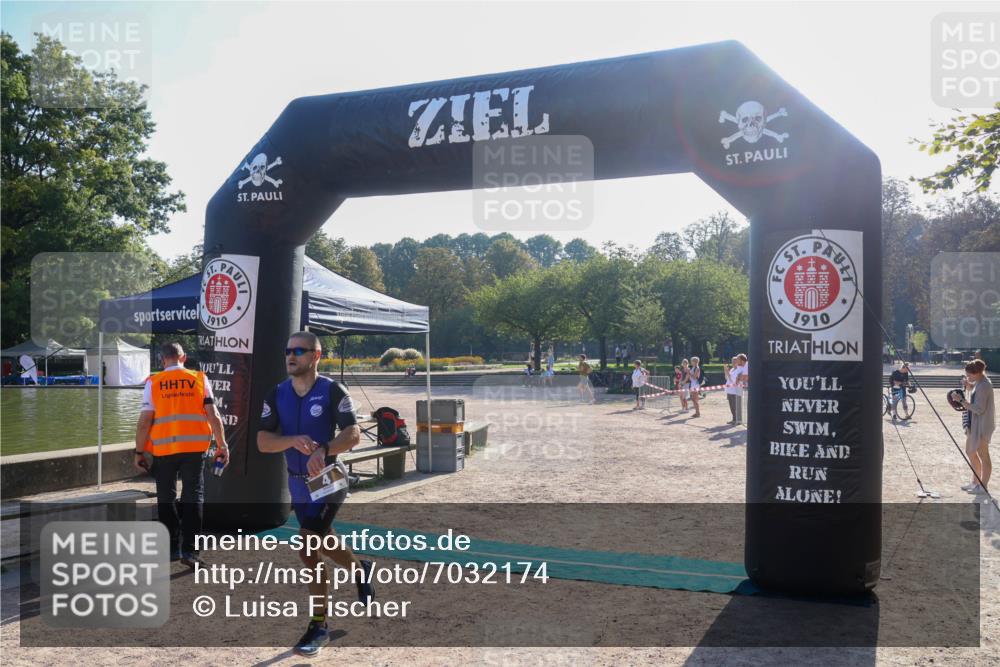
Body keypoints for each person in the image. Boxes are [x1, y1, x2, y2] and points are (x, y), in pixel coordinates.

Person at [258, 331, 373, 656]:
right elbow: (263, 442)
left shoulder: (333, 390)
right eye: (288, 350)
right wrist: (291, 441)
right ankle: (359, 569)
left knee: (308, 547)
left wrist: (324, 448)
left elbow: (353, 434)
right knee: (325, 541)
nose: (291, 356)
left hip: (328, 479)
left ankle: (319, 624)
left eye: (299, 350)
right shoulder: (276, 394)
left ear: (316, 356)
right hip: (297, 483)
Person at [134, 343, 229, 567]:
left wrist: (139, 451)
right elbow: (213, 414)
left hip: (164, 450)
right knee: (193, 496)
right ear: (183, 357)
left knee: (166, 497)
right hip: (195, 449)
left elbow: (145, 421)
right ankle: (190, 552)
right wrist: (222, 444)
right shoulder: (199, 378)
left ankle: (171, 548)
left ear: (162, 359)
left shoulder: (153, 382)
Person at [959, 359, 994, 494]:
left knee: (983, 454)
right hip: (974, 424)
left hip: (983, 426)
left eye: (969, 375)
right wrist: (969, 385)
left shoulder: (984, 385)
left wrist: (961, 400)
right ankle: (975, 482)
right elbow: (975, 389)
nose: (968, 378)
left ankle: (983, 486)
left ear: (978, 373)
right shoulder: (979, 382)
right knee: (970, 452)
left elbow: (979, 409)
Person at [723, 354, 749, 425]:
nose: (733, 363)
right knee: (732, 405)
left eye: (735, 361)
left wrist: (728, 373)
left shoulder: (740, 369)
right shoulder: (732, 369)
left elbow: (734, 381)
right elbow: (727, 378)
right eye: (732, 361)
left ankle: (738, 420)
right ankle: (734, 419)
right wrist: (726, 371)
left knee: (736, 406)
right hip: (729, 390)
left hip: (736, 390)